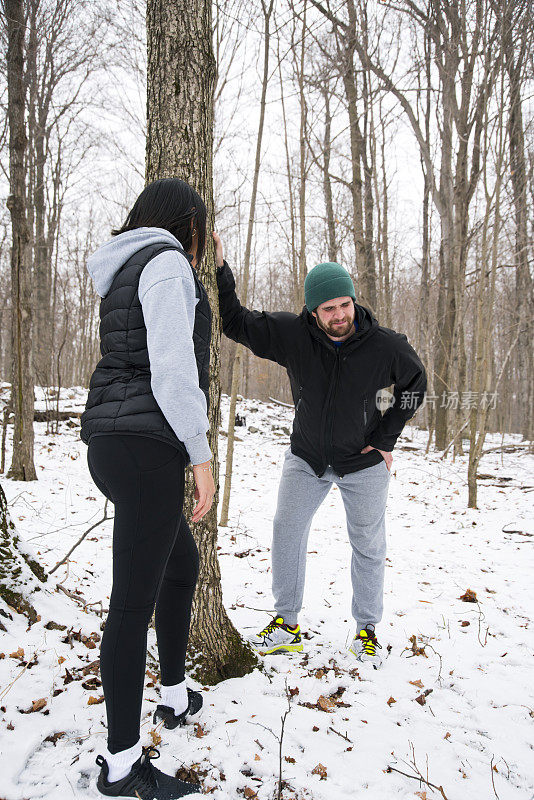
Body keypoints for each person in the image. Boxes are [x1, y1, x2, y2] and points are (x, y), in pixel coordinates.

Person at [213, 234, 427, 670]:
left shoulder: (384, 345)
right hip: (306, 458)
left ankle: (366, 631)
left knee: (367, 544)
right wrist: (219, 268)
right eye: (328, 308)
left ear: (353, 300)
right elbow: (234, 321)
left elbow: (416, 386)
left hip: (363, 463)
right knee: (285, 531)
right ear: (313, 311)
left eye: (344, 304)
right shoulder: (292, 336)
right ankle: (286, 624)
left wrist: (385, 438)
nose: (339, 315)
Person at [80, 178, 215, 798]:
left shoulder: (126, 268)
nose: (202, 240)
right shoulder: (164, 264)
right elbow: (172, 367)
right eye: (201, 226)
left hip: (113, 443)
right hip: (148, 446)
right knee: (130, 608)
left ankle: (173, 695)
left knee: (179, 563)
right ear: (186, 222)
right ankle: (122, 765)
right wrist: (201, 453)